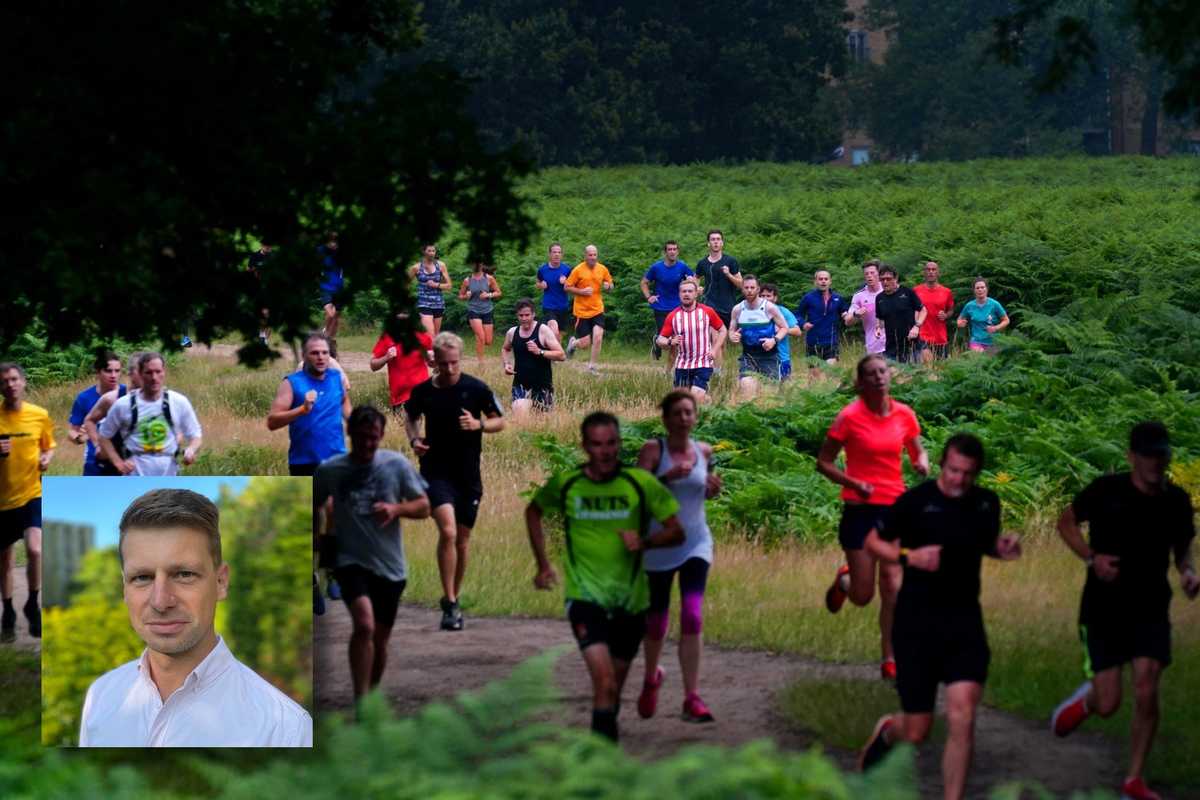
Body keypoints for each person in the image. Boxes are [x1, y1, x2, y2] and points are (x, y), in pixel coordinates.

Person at [858, 434, 1022, 800]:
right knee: (917, 730)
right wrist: (909, 557)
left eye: (967, 473)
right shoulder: (917, 502)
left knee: (963, 716)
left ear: (976, 473)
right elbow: (873, 542)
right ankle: (889, 731)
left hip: (964, 623)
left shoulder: (985, 504)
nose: (958, 479)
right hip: (917, 625)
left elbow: (982, 543)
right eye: (952, 470)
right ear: (943, 464)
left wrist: (1001, 548)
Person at [79, 489, 312, 746]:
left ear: (221, 582)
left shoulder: (284, 729)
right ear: (125, 587)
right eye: (142, 578)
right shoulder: (100, 696)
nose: (160, 601)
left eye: (184, 574)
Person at [1049, 422, 1197, 800]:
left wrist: (1188, 573)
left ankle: (1133, 779)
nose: (1155, 463)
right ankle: (1088, 702)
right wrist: (1090, 558)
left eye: (1161, 455)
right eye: (1147, 455)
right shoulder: (1106, 491)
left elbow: (1182, 549)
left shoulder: (1176, 501)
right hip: (1103, 608)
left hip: (1151, 605)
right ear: (1132, 457)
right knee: (1110, 702)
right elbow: (1065, 522)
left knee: (1148, 686)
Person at [525, 411, 684, 742]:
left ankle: (605, 741)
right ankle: (599, 768)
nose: (605, 451)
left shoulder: (640, 484)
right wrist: (543, 564)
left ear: (619, 444)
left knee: (612, 692)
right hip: (585, 598)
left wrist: (645, 542)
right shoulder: (568, 483)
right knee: (604, 683)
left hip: (632, 600)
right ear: (585, 446)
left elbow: (677, 531)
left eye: (611, 443)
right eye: (597, 444)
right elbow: (534, 511)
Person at [817, 354, 929, 680]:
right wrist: (853, 483)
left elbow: (917, 448)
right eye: (872, 374)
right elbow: (823, 462)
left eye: (883, 371)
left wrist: (922, 462)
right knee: (864, 596)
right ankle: (846, 580)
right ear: (861, 383)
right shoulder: (849, 417)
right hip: (860, 511)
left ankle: (890, 658)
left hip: (895, 510)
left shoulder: (904, 414)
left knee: (893, 585)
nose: (879, 377)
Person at [315, 406, 431, 705]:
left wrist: (397, 509)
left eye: (374, 438)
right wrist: (320, 535)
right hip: (349, 560)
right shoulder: (330, 470)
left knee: (379, 639)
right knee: (364, 625)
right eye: (363, 437)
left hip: (390, 565)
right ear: (350, 434)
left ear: (381, 436)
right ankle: (360, 699)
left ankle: (371, 697)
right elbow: (311, 503)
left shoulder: (396, 465)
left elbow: (423, 506)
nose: (368, 444)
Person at [405, 333, 505, 631]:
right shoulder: (423, 391)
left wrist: (480, 425)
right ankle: (449, 601)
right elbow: (410, 417)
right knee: (447, 531)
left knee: (462, 540)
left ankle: (454, 597)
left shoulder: (476, 388)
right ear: (433, 360)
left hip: (468, 475)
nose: (450, 369)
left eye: (455, 363)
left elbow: (500, 420)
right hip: (435, 471)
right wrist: (414, 439)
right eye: (444, 363)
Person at [635, 391, 722, 723]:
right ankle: (650, 677)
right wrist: (664, 478)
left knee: (692, 615)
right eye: (677, 413)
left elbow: (706, 489)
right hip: (659, 545)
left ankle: (691, 697)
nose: (684, 418)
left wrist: (712, 488)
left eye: (689, 413)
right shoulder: (653, 451)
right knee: (656, 620)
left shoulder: (704, 452)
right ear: (666, 419)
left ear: (696, 417)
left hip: (696, 543)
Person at [0, 363, 53, 641]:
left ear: (23, 381)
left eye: (14, 379)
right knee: (5, 560)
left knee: (35, 549)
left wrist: (46, 458)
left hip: (31, 494)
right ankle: (7, 610)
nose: (10, 384)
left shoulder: (39, 415)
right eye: (4, 381)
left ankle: (32, 603)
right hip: (2, 502)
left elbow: (48, 446)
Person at [97, 353, 202, 477]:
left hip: (169, 472)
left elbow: (195, 435)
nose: (154, 377)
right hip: (134, 473)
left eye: (158, 372)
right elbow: (104, 436)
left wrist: (190, 450)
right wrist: (118, 462)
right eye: (149, 372)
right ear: (140, 374)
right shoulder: (123, 405)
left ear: (164, 372)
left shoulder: (179, 402)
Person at [267, 333, 352, 476]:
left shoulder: (336, 378)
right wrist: (302, 409)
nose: (320, 357)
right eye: (315, 353)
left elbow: (345, 404)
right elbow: (272, 422)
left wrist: (359, 422)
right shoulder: (291, 383)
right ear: (304, 355)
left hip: (338, 459)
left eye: (325, 353)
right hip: (304, 463)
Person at [656, 278, 727, 401]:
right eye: (683, 291)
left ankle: (705, 403)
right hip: (682, 364)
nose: (687, 294)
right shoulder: (673, 315)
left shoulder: (707, 311)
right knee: (681, 401)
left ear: (695, 294)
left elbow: (723, 330)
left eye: (690, 291)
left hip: (703, 362)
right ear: (679, 294)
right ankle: (709, 403)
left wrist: (714, 349)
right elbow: (660, 339)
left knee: (695, 396)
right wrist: (669, 342)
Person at [727, 275, 788, 399]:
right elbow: (731, 331)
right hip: (748, 356)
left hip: (769, 356)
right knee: (747, 390)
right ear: (742, 289)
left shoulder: (769, 307)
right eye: (746, 287)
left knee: (769, 397)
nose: (749, 290)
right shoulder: (737, 309)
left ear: (758, 289)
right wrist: (733, 336)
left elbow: (785, 328)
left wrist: (774, 340)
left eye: (752, 287)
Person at [81, 352, 145, 469]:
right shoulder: (111, 398)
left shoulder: (162, 400)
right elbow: (89, 421)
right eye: (141, 371)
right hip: (110, 465)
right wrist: (98, 446)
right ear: (130, 373)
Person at [501, 299, 565, 416]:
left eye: (527, 315)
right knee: (520, 414)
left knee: (541, 421)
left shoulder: (543, 331)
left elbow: (561, 355)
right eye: (521, 315)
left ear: (533, 314)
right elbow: (505, 349)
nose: (524, 318)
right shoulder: (512, 332)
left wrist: (540, 351)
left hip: (542, 385)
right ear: (517, 315)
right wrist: (507, 364)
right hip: (520, 384)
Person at [68, 351, 126, 476]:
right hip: (95, 463)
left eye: (117, 371)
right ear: (98, 372)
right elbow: (72, 432)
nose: (113, 375)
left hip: (125, 460)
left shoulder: (127, 394)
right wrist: (79, 438)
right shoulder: (84, 398)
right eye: (108, 371)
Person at [369, 315, 433, 417]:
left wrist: (431, 358)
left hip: (422, 394)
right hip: (399, 397)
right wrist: (386, 357)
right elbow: (373, 365)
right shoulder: (387, 337)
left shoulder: (423, 336)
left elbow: (433, 364)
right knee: (402, 429)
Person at [564, 245, 614, 374]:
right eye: (590, 255)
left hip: (597, 309)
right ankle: (573, 344)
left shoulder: (602, 269)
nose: (592, 257)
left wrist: (608, 286)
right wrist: (581, 291)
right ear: (585, 256)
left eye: (595, 255)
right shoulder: (578, 270)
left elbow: (611, 284)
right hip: (581, 312)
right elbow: (567, 287)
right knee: (585, 344)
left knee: (598, 337)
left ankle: (592, 367)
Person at [641, 241, 694, 361]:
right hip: (661, 306)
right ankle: (656, 342)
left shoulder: (682, 266)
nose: (672, 252)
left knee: (676, 337)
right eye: (669, 249)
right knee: (664, 338)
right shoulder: (656, 267)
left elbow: (694, 280)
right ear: (665, 252)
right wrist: (649, 297)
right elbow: (644, 282)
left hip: (677, 306)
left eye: (675, 249)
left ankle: (673, 365)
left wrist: (693, 283)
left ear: (678, 251)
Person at [874, 265, 926, 364]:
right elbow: (880, 318)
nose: (885, 282)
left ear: (896, 278)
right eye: (882, 279)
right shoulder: (879, 298)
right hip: (891, 348)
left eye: (888, 279)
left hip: (911, 346)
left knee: (914, 377)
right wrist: (878, 329)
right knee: (893, 378)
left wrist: (917, 327)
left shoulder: (907, 292)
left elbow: (923, 310)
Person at [796, 270, 847, 366]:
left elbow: (845, 312)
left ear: (830, 281)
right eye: (820, 279)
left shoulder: (838, 298)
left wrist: (850, 315)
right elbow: (798, 315)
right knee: (815, 376)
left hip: (831, 341)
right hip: (813, 341)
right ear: (815, 282)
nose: (823, 281)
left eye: (826, 279)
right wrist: (803, 324)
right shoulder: (808, 298)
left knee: (828, 369)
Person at [693, 230, 742, 329]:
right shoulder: (702, 263)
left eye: (718, 239)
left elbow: (741, 285)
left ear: (722, 243)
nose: (716, 242)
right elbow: (696, 278)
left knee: (727, 340)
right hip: (709, 305)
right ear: (708, 243)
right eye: (713, 239)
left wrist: (729, 275)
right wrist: (696, 288)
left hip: (727, 306)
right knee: (714, 337)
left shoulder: (731, 261)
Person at [459, 262, 503, 367]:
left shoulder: (489, 278)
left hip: (487, 310)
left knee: (488, 341)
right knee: (481, 337)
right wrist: (466, 296)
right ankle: (481, 363)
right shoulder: (467, 280)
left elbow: (498, 292)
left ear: (482, 265)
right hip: (473, 310)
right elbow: (460, 295)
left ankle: (478, 336)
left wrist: (489, 294)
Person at [759, 284, 802, 381]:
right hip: (759, 357)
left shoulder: (783, 311)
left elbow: (798, 331)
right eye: (762, 296)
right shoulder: (754, 312)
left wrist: (783, 330)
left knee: (784, 389)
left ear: (775, 298)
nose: (765, 298)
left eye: (768, 296)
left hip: (781, 357)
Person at [912, 261, 954, 361]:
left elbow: (951, 310)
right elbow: (910, 310)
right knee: (927, 367)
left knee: (941, 370)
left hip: (940, 337)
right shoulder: (916, 290)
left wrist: (946, 315)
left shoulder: (946, 292)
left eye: (933, 269)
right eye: (928, 269)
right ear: (924, 272)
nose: (931, 272)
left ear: (938, 273)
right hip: (922, 336)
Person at [843, 260, 886, 356]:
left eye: (872, 273)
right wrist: (856, 314)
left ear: (879, 274)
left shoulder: (888, 290)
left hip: (893, 344)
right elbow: (848, 321)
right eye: (866, 274)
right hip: (874, 346)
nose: (869, 276)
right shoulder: (859, 296)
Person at [956, 278, 1009, 353]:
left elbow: (1006, 320)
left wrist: (996, 328)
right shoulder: (969, 305)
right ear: (974, 290)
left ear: (987, 289)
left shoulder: (994, 304)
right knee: (979, 359)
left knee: (990, 363)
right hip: (976, 341)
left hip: (994, 342)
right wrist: (960, 323)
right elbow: (959, 320)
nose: (980, 290)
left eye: (982, 287)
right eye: (977, 288)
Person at [410, 244, 452, 337]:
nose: (432, 253)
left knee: (436, 336)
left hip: (438, 304)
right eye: (429, 251)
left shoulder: (441, 265)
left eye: (433, 251)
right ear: (424, 252)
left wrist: (436, 284)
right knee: (430, 333)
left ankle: (426, 349)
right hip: (424, 303)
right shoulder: (416, 267)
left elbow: (449, 286)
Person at [536, 243, 573, 339]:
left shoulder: (567, 269)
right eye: (554, 252)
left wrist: (566, 282)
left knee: (560, 335)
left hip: (563, 306)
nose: (557, 254)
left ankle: (557, 353)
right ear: (549, 254)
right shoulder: (542, 270)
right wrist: (541, 285)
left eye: (559, 252)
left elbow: (573, 286)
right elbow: (537, 284)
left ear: (562, 255)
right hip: (549, 306)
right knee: (554, 329)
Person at [317, 231, 345, 351]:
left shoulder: (342, 252)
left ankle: (329, 340)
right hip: (325, 287)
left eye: (335, 241)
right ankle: (325, 333)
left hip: (339, 288)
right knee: (330, 314)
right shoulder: (321, 250)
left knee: (336, 317)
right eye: (331, 241)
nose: (333, 244)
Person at [247, 242, 273, 344]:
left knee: (270, 315)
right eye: (267, 245)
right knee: (264, 313)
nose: (268, 247)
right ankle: (262, 336)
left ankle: (265, 338)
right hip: (259, 288)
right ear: (262, 245)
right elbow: (248, 270)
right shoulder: (255, 256)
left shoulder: (274, 257)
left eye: (270, 245)